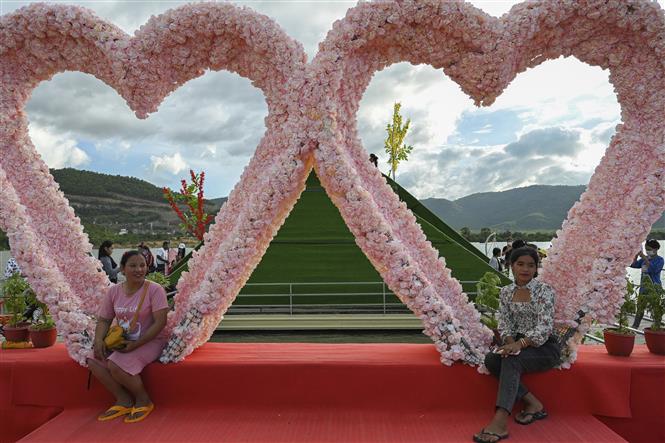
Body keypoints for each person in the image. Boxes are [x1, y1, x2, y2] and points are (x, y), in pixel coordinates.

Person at [473, 247, 559, 443]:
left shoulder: (545, 291)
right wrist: (510, 344)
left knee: (512, 361)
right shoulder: (505, 292)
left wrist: (520, 345)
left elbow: (545, 328)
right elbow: (504, 324)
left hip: (544, 347)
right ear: (511, 266)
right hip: (518, 343)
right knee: (492, 360)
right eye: (520, 264)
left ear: (537, 268)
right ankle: (533, 404)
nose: (525, 269)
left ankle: (500, 421)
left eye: (531, 265)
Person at [88, 250, 169, 423]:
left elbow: (160, 323)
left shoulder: (155, 290)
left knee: (115, 364)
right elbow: (104, 320)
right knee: (93, 359)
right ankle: (123, 399)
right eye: (133, 266)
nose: (139, 269)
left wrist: (137, 344)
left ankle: (143, 400)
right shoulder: (114, 292)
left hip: (151, 340)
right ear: (123, 269)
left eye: (142, 265)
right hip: (123, 340)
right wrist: (98, 341)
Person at [630, 239, 663, 328]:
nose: (647, 251)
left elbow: (654, 270)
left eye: (648, 249)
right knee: (640, 309)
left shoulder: (660, 260)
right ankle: (635, 327)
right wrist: (636, 256)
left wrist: (644, 257)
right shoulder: (644, 260)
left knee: (655, 309)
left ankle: (657, 327)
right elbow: (633, 265)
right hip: (643, 288)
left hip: (654, 288)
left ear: (655, 249)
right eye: (646, 249)